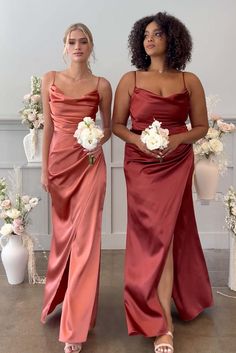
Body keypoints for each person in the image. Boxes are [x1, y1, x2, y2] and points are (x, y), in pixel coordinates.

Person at [112, 12, 213, 353]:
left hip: (176, 164)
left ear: (172, 39)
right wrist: (140, 142)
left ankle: (163, 327)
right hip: (140, 166)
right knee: (150, 238)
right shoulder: (130, 79)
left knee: (167, 238)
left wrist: (176, 140)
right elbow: (117, 125)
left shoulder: (190, 80)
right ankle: (149, 309)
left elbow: (201, 127)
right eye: (145, 35)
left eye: (157, 34)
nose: (149, 39)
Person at [40, 23, 112, 353]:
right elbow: (49, 129)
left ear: (91, 45)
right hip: (58, 166)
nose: (78, 46)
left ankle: (75, 326)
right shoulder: (50, 79)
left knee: (85, 242)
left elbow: (108, 128)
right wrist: (44, 169)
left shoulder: (101, 85)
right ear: (64, 46)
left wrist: (97, 140)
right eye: (72, 41)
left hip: (90, 167)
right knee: (62, 242)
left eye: (84, 41)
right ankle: (61, 299)